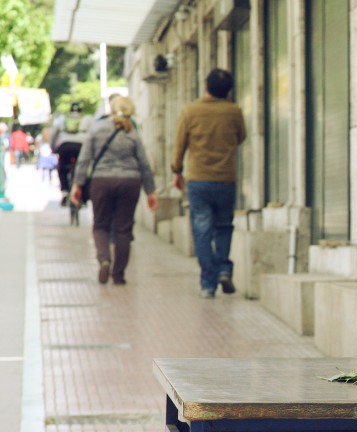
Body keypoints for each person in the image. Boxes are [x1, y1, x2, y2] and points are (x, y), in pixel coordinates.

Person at [171, 68, 246, 299]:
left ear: (206, 86)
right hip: (225, 179)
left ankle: (208, 283)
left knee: (202, 231)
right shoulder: (234, 111)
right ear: (229, 90)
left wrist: (177, 170)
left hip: (199, 181)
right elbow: (241, 137)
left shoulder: (190, 111)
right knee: (224, 226)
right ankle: (224, 269)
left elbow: (179, 144)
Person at [70, 96, 158, 285]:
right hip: (129, 182)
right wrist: (150, 191)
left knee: (100, 225)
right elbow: (143, 163)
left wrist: (77, 184)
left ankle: (104, 259)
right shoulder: (132, 132)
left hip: (102, 181)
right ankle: (118, 275)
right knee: (123, 229)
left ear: (111, 109)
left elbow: (84, 159)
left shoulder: (96, 129)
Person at [52, 103, 93, 205]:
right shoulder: (88, 119)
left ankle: (65, 191)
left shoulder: (61, 119)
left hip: (64, 146)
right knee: (84, 168)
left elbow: (53, 135)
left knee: (61, 167)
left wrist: (53, 149)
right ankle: (83, 194)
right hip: (82, 146)